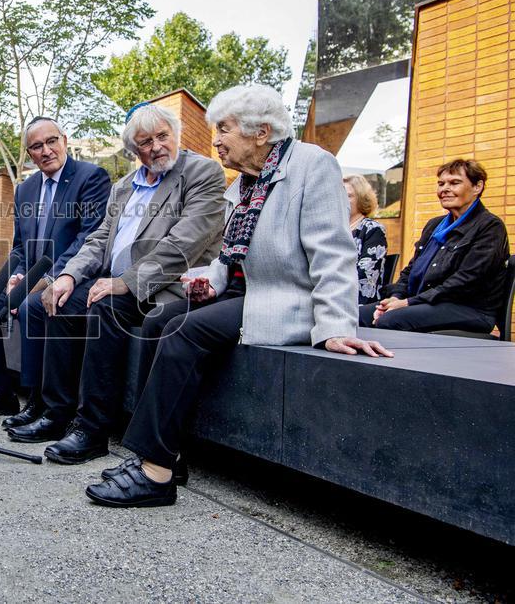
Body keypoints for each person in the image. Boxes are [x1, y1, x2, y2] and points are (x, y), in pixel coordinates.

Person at [85, 84, 392, 508]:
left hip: (285, 297)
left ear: (261, 132)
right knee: (159, 320)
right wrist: (211, 278)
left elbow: (334, 253)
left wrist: (336, 326)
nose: (215, 139)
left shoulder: (312, 165)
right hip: (244, 291)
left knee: (184, 331)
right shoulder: (246, 183)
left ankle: (155, 474)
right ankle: (166, 455)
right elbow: (233, 253)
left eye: (224, 128)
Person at [6, 103, 227, 462]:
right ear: (133, 150)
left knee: (105, 307)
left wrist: (125, 281)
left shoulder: (202, 173)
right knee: (59, 300)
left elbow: (185, 243)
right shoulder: (125, 186)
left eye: (162, 136)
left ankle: (92, 430)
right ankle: (56, 412)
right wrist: (67, 276)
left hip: (166, 287)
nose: (156, 146)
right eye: (144, 141)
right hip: (114, 283)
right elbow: (98, 239)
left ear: (176, 135)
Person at [0, 116, 111, 420]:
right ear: (30, 153)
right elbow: (20, 246)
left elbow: (87, 238)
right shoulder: (25, 189)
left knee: (32, 305)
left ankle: (37, 400)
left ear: (65, 140)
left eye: (51, 141)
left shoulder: (91, 177)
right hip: (30, 277)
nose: (46, 150)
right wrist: (12, 277)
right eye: (36, 146)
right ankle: (1, 393)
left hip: (73, 277)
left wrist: (41, 281)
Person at [359, 159, 510, 333]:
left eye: (454, 183)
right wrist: (395, 297)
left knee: (390, 320)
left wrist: (407, 303)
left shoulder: (489, 226)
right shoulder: (434, 225)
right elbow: (410, 270)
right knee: (356, 316)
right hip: (423, 302)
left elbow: (466, 280)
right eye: (441, 183)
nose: (445, 189)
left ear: (477, 186)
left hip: (469, 309)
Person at [343, 174, 387, 304]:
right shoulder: (332, 229)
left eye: (349, 195)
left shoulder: (373, 229)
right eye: (339, 195)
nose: (342, 199)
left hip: (356, 299)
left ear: (361, 199)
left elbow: (366, 275)